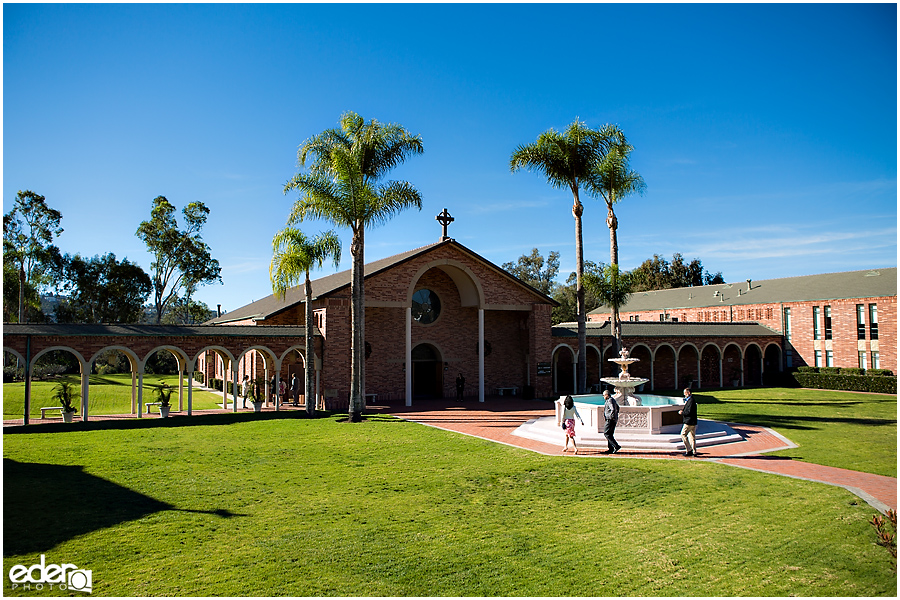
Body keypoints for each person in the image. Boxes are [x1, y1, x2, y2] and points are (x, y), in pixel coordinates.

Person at [678, 387, 699, 456]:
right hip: (693, 421)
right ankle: (694, 451)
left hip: (689, 421)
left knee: (683, 434)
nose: (684, 394)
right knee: (692, 436)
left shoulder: (691, 401)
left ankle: (689, 450)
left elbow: (689, 412)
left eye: (685, 393)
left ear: (689, 393)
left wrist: (682, 413)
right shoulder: (691, 400)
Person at [602, 390, 621, 454]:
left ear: (607, 395)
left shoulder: (610, 400)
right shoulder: (612, 400)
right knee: (610, 434)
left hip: (610, 419)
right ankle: (611, 449)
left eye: (604, 395)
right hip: (613, 419)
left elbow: (613, 409)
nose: (603, 397)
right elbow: (618, 408)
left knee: (606, 433)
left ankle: (616, 446)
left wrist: (610, 417)